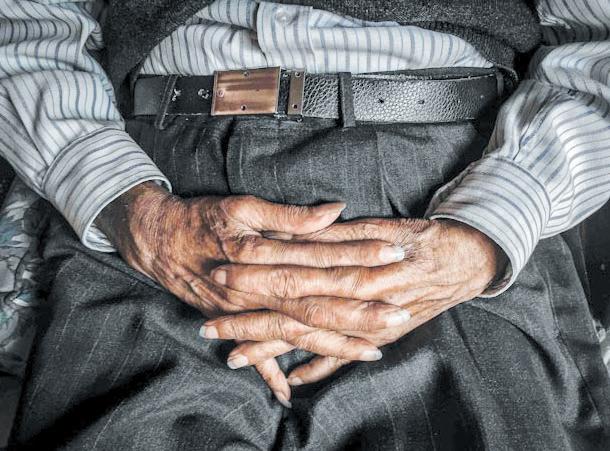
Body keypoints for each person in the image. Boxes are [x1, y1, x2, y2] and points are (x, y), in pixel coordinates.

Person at [1, 0, 610, 448]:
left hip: (447, 186)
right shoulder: (145, 217)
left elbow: (598, 46)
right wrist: (133, 210)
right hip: (159, 189)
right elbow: (25, 23)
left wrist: (487, 229)